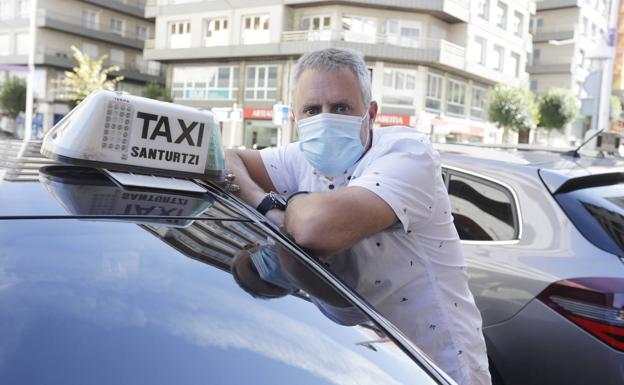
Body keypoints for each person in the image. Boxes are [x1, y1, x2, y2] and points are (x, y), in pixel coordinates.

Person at [224, 48, 491, 385]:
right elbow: (226, 157)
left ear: (371, 113)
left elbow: (313, 228)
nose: (324, 119)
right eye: (311, 110)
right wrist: (265, 204)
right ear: (295, 118)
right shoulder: (299, 158)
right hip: (359, 361)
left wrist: (284, 213)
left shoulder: (407, 153)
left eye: (340, 108)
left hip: (435, 369)